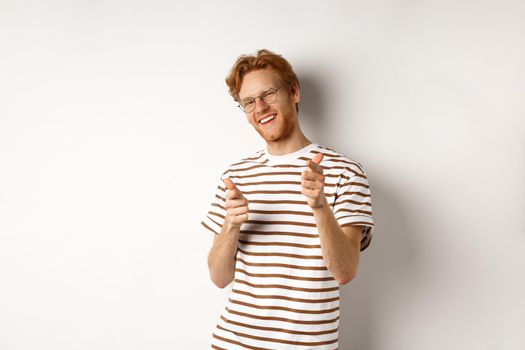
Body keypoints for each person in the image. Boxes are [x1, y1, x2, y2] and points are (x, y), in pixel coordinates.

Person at [201, 49, 374, 350]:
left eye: (268, 94)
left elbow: (345, 272)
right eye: (248, 102)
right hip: (232, 343)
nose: (260, 108)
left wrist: (320, 207)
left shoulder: (344, 172)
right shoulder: (236, 176)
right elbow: (219, 277)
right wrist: (230, 225)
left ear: (293, 92)